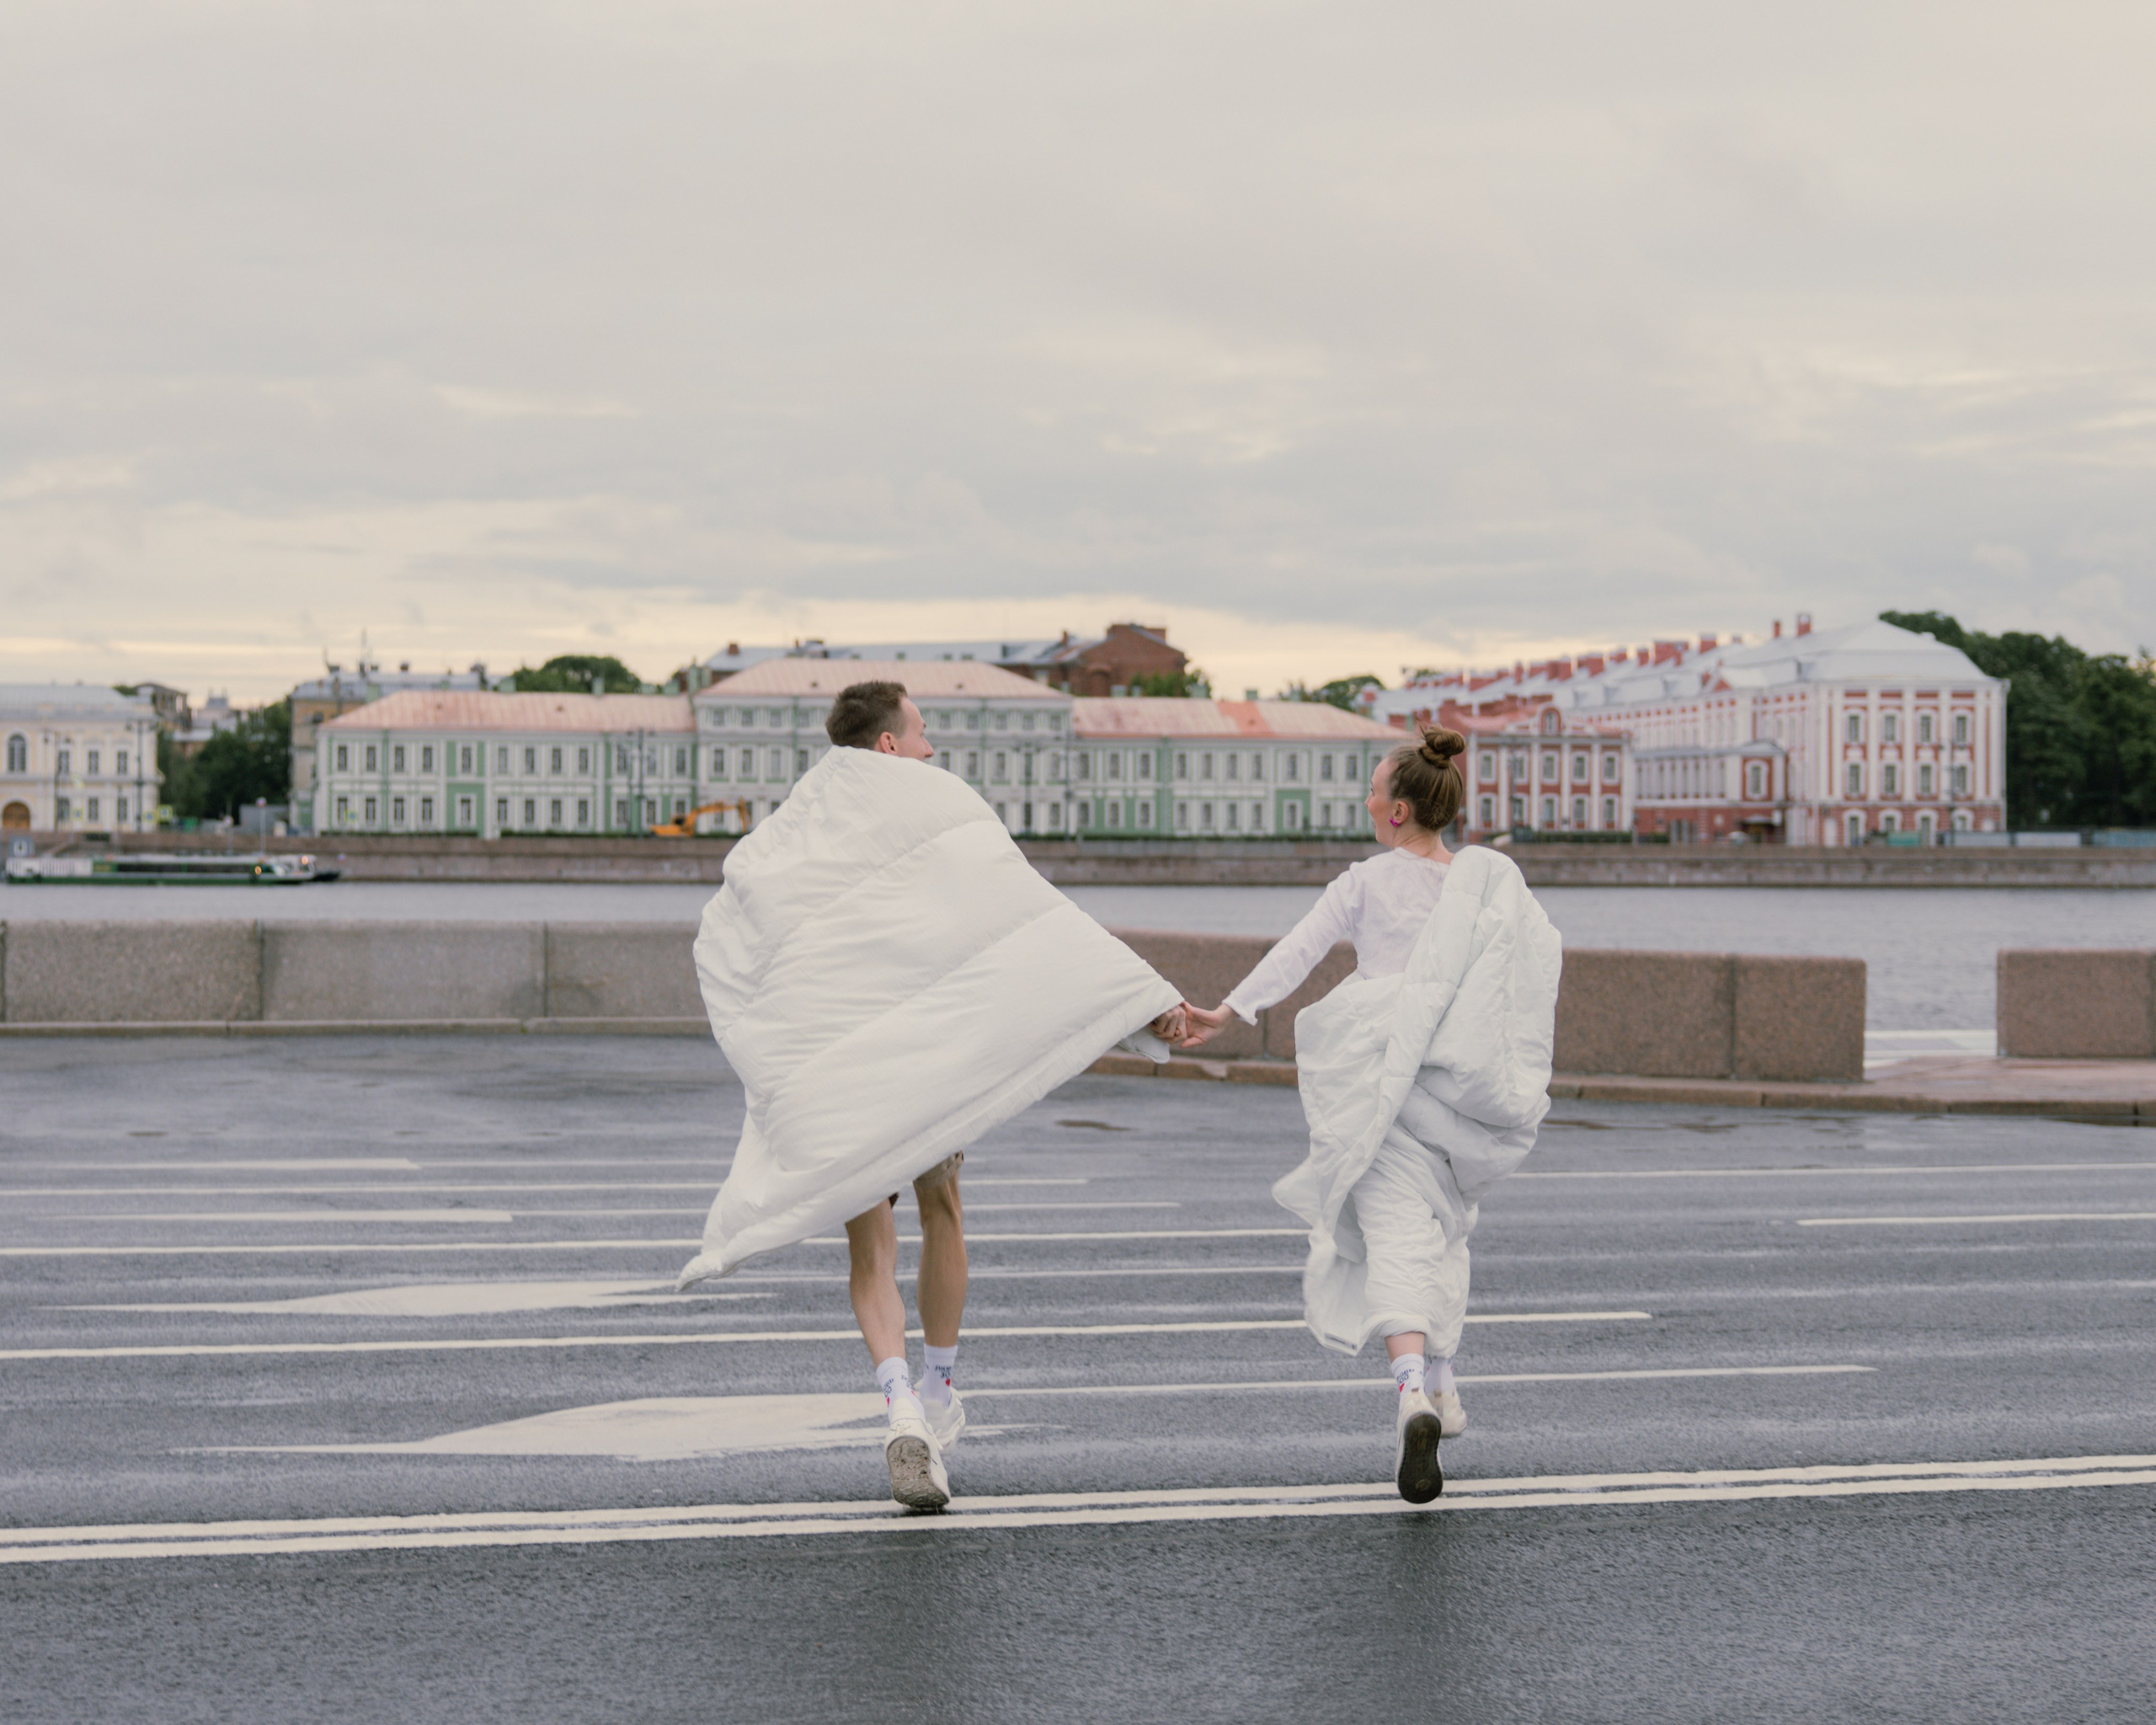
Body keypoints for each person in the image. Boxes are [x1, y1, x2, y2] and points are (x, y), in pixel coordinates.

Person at [678, 679, 1188, 1512]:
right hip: (930, 1063)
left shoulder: (795, 824)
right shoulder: (934, 799)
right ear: (886, 745)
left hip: (847, 1071)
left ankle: (898, 1405)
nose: (930, 747)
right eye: (920, 731)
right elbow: (1022, 913)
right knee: (942, 1205)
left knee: (868, 1249)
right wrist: (1144, 1001)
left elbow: (748, 918)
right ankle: (942, 1387)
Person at [1181, 724, 1560, 1503]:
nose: (1367, 799)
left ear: (1396, 812)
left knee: (1392, 1231)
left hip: (1382, 1075)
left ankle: (1411, 1391)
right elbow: (1524, 974)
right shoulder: (1482, 889)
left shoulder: (1364, 882)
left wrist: (1229, 1009)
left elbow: (1298, 952)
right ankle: (1447, 1388)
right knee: (1445, 1227)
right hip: (1457, 1087)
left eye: (1374, 788)